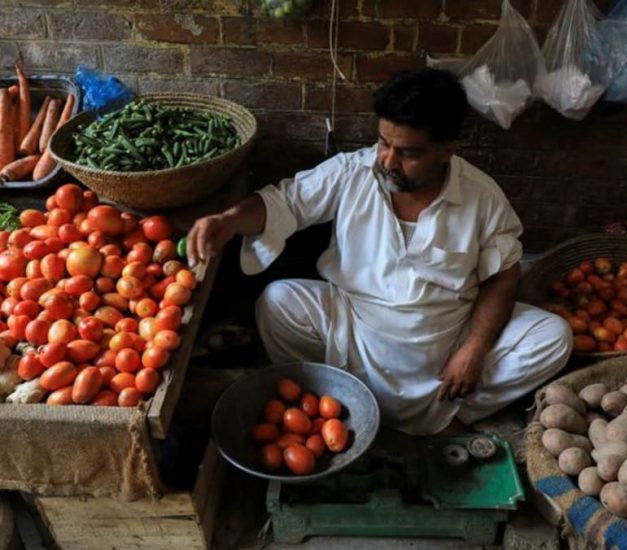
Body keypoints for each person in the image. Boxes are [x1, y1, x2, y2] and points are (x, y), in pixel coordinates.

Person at [187, 68, 573, 436]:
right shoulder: (353, 172)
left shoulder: (481, 197)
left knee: (553, 336)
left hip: (445, 337)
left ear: (447, 149)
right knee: (277, 302)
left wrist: (473, 349)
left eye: (408, 153)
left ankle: (454, 413)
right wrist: (229, 220)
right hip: (354, 328)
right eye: (384, 143)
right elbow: (285, 203)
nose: (387, 161)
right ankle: (331, 398)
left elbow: (503, 274)